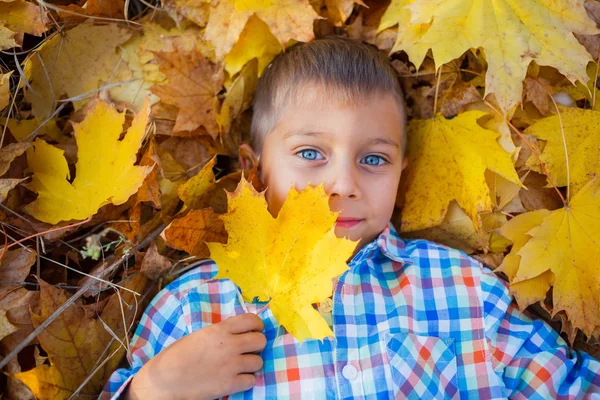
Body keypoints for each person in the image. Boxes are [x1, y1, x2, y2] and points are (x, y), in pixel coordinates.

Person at [100, 36, 600, 400]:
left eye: (374, 159)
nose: (343, 183)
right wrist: (154, 390)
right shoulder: (195, 305)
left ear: (401, 174)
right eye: (312, 154)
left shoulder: (460, 287)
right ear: (254, 169)